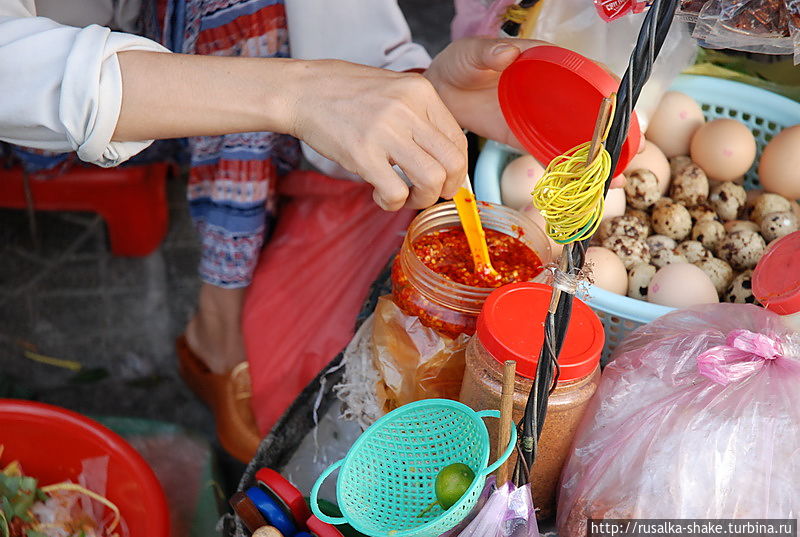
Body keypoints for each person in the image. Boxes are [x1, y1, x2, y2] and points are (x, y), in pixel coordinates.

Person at [2, 0, 561, 460]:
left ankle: (218, 323)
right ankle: (216, 331)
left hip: (187, 33)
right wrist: (295, 92)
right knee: (246, 19)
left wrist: (410, 89)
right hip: (50, 81)